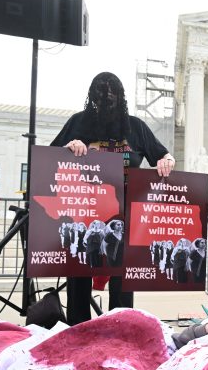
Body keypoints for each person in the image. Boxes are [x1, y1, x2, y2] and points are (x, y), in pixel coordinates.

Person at [50, 71, 175, 325]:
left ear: (120, 96)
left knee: (122, 278)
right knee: (79, 272)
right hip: (84, 214)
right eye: (99, 93)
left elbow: (163, 154)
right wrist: (69, 148)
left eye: (111, 93)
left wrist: (167, 161)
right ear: (91, 97)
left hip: (125, 216)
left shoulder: (136, 127)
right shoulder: (77, 123)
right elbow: (50, 160)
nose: (106, 98)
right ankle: (78, 328)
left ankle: (120, 327)